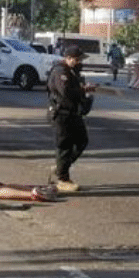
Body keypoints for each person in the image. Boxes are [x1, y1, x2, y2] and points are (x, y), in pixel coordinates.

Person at [46, 45, 97, 193]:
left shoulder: (72, 72)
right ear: (68, 58)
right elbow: (66, 92)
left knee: (82, 140)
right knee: (65, 146)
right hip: (62, 114)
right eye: (77, 59)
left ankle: (61, 166)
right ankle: (62, 179)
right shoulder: (60, 71)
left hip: (73, 113)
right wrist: (84, 89)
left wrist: (84, 88)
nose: (79, 62)